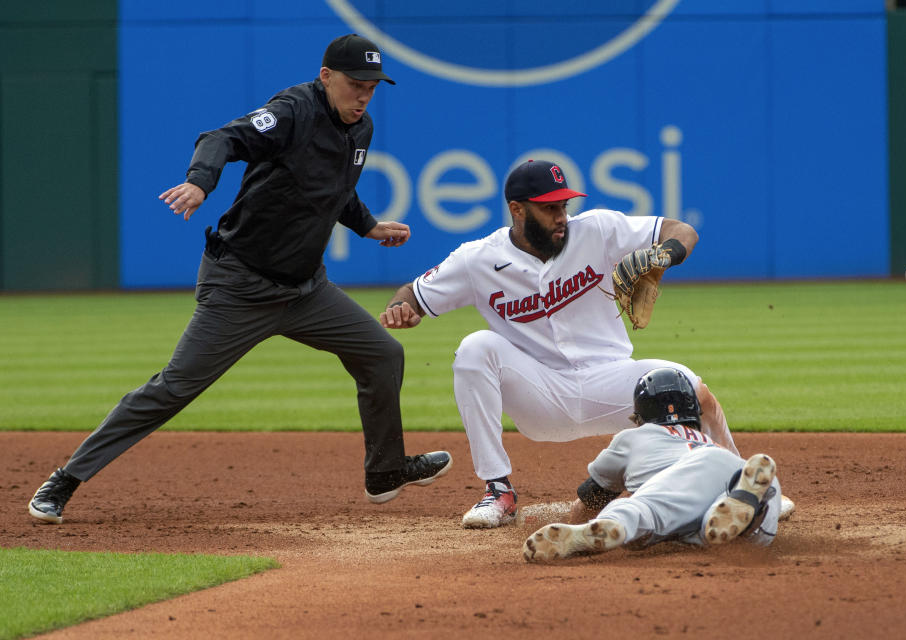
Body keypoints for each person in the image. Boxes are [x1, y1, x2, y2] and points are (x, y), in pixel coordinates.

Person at [28, 34, 451, 525]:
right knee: (174, 388)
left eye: (372, 87)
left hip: (306, 290)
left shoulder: (361, 128)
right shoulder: (292, 111)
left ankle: (384, 473)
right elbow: (220, 139)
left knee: (383, 354)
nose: (364, 95)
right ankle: (66, 479)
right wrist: (198, 182)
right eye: (355, 84)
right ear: (326, 77)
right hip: (240, 286)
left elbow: (336, 190)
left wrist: (368, 226)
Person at [379, 159, 739, 530]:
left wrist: (665, 254)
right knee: (475, 347)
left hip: (612, 384)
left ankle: (739, 484)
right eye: (549, 208)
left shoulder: (597, 229)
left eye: (563, 206)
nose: (561, 216)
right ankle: (498, 490)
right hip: (543, 395)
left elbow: (683, 230)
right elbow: (414, 294)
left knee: (692, 387)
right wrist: (399, 309)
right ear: (517, 210)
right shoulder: (478, 258)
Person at [522, 367, 782, 563]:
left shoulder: (631, 438)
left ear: (641, 413)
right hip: (730, 468)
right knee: (709, 530)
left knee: (639, 510)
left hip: (689, 477)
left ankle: (607, 526)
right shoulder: (706, 440)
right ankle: (733, 511)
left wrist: (579, 521)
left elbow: (590, 501)